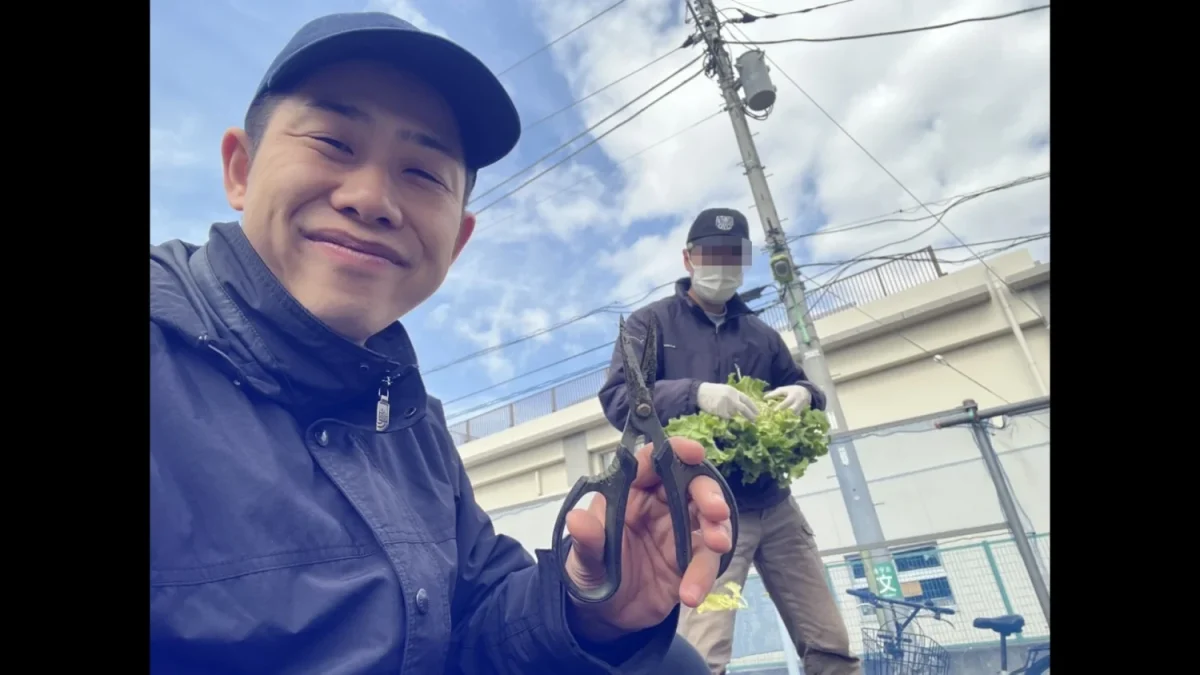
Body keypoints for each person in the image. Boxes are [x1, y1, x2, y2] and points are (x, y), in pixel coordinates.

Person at [149, 13, 733, 674]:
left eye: (423, 173)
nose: (371, 199)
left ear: (456, 240)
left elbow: (474, 618)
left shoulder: (411, 421)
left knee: (670, 663)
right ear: (240, 169)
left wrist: (590, 603)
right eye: (332, 142)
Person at [597, 208, 863, 675]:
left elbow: (804, 386)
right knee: (703, 653)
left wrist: (806, 394)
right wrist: (695, 393)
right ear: (688, 258)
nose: (721, 265)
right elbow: (620, 398)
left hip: (775, 505)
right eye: (710, 254)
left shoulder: (761, 335)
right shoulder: (650, 324)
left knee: (829, 644)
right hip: (704, 510)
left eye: (733, 255)